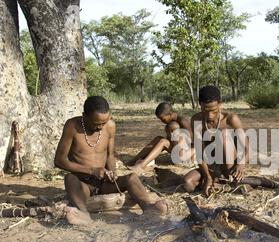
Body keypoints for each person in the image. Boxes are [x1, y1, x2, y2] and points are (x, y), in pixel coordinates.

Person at [54, 96, 168, 225]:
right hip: (83, 185)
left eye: (104, 122)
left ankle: (149, 208)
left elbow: (109, 155)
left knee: (131, 178)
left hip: (104, 182)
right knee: (70, 179)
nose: (101, 127)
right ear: (84, 116)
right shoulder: (72, 126)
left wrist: (112, 172)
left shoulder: (110, 126)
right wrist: (91, 171)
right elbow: (59, 160)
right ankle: (83, 214)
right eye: (96, 124)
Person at [183, 85, 249, 196]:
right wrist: (208, 177)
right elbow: (199, 153)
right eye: (205, 110)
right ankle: (220, 183)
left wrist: (241, 164)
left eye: (213, 110)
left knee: (223, 134)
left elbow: (246, 146)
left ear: (220, 104)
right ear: (200, 104)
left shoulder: (230, 119)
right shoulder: (197, 120)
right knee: (188, 183)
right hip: (211, 166)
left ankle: (228, 179)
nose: (209, 115)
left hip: (230, 164)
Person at [127, 102, 192, 174]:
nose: (162, 121)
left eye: (163, 119)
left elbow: (193, 141)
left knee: (163, 142)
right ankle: (133, 161)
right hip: (177, 150)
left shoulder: (183, 121)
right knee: (158, 139)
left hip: (184, 155)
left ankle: (141, 166)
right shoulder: (172, 122)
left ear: (170, 114)